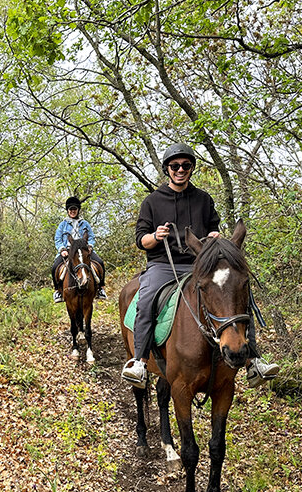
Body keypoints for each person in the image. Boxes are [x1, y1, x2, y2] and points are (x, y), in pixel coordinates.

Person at [121, 142, 279, 388]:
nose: (180, 169)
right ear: (167, 169)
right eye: (175, 166)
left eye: (185, 165)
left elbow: (213, 226)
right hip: (163, 265)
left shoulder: (203, 199)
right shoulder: (152, 201)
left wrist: (214, 236)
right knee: (147, 298)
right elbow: (141, 239)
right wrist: (155, 236)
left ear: (192, 168)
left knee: (239, 294)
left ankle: (253, 361)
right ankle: (140, 361)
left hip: (201, 264)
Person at [52, 197, 107, 303]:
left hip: (84, 250)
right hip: (68, 250)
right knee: (55, 267)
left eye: (75, 209)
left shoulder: (85, 223)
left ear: (78, 210)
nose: (73, 211)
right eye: (71, 209)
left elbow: (91, 237)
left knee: (100, 262)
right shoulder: (63, 224)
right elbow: (57, 239)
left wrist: (90, 246)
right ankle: (58, 291)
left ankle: (100, 288)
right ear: (68, 211)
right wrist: (62, 249)